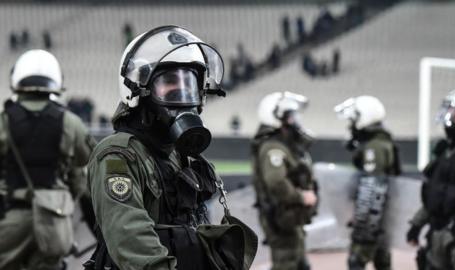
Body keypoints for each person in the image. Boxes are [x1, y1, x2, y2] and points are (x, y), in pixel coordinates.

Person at [84, 25, 256, 270]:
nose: (182, 94)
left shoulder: (177, 155)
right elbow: (130, 237)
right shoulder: (118, 154)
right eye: (169, 84)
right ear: (138, 90)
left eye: (188, 85)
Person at [0, 49, 95, 270]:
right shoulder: (71, 123)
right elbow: (86, 162)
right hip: (54, 221)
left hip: (9, 218)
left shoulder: (4, 122)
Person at [407, 88, 455, 270]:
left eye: (454, 115)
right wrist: (417, 224)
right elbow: (436, 195)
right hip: (438, 233)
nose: (448, 121)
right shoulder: (446, 153)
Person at [252, 91, 318, 270]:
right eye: (290, 116)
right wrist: (301, 197)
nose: (295, 121)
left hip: (290, 217)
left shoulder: (283, 146)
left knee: (298, 263)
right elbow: (276, 181)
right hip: (281, 218)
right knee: (286, 263)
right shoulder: (273, 147)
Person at [335, 95, 401, 270]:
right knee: (382, 261)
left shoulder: (375, 147)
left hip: (374, 218)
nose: (351, 124)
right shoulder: (380, 142)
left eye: (354, 119)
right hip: (381, 216)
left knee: (357, 260)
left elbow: (372, 188)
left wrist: (364, 225)